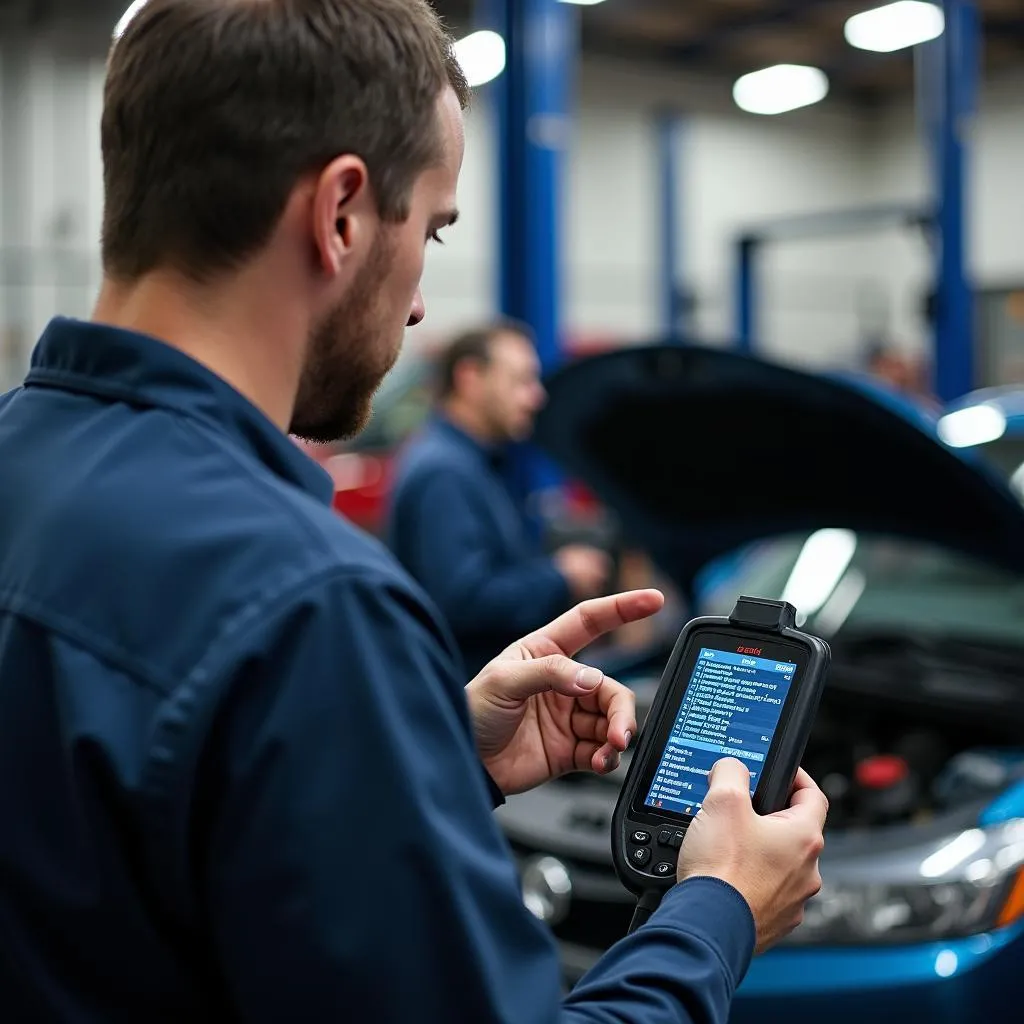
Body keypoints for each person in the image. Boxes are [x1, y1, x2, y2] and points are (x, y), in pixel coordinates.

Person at [0, 2, 827, 1022]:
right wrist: (716, 909)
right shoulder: (305, 603)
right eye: (432, 229)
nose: (423, 303)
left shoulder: (23, 461)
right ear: (341, 212)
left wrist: (427, 751)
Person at [387, 321, 611, 676]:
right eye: (522, 381)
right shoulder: (445, 474)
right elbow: (463, 600)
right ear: (471, 377)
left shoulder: (472, 462)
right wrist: (561, 575)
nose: (536, 396)